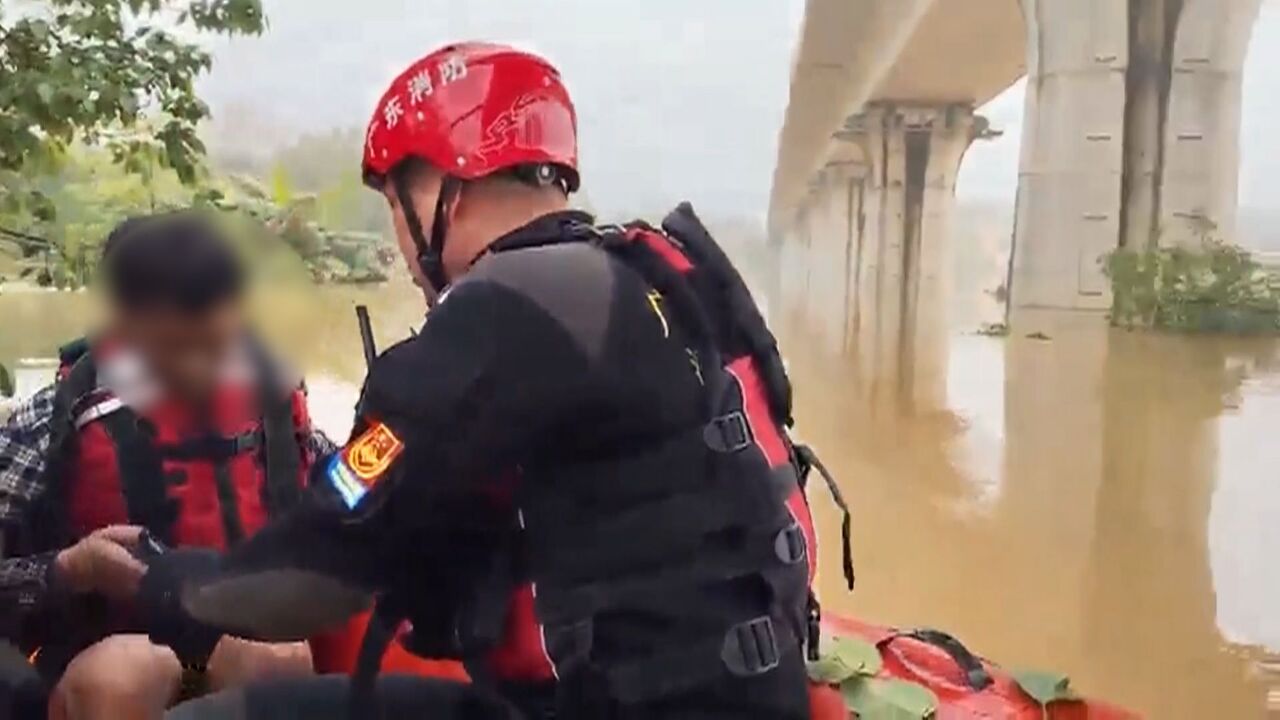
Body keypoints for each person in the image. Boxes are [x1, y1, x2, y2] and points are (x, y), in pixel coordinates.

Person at [148, 42, 853, 720]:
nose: (400, 242)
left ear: (445, 191)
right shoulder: (648, 274)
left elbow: (317, 563)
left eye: (397, 206)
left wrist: (171, 584)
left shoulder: (505, 307)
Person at [0, 212, 333, 719]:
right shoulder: (55, 416)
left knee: (281, 653)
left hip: (242, 637)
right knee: (125, 675)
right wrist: (67, 569)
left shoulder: (274, 405)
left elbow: (351, 499)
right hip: (103, 649)